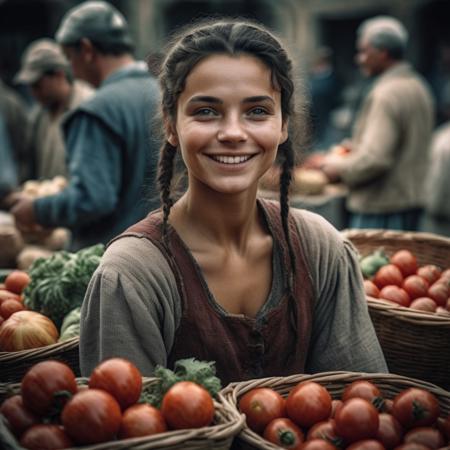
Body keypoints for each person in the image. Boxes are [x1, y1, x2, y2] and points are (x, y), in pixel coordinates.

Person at [79, 19, 388, 382]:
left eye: (257, 111)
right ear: (170, 125)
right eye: (206, 111)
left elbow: (365, 405)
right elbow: (129, 428)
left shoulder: (322, 250)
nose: (232, 133)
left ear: (283, 124)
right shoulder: (131, 276)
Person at [10, 1, 161, 251]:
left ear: (87, 50)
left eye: (69, 57)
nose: (71, 70)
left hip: (113, 256)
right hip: (163, 252)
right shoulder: (161, 93)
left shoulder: (97, 110)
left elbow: (93, 199)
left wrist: (36, 209)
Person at [307, 16, 435, 231]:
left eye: (364, 51)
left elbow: (375, 160)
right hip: (410, 200)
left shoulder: (386, 93)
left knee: (372, 264)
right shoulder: (417, 85)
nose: (360, 59)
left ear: (382, 52)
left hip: (383, 206)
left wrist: (333, 167)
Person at [14, 38, 94, 180]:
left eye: (38, 85)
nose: (34, 93)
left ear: (59, 75)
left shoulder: (87, 106)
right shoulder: (39, 115)